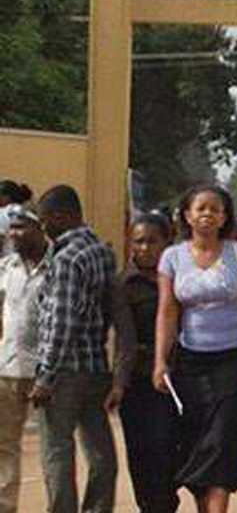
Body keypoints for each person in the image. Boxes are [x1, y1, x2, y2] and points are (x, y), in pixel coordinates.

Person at [153, 185, 237, 512]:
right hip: (190, 363)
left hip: (233, 360)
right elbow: (167, 310)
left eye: (215, 209)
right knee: (196, 439)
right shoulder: (172, 257)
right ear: (187, 215)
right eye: (200, 208)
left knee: (222, 438)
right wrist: (160, 361)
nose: (207, 214)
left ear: (224, 217)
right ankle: (204, 504)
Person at [30, 185, 124, 513]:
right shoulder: (101, 250)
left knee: (57, 452)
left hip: (65, 372)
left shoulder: (68, 258)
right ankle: (98, 508)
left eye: (46, 222)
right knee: (99, 451)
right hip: (96, 366)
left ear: (62, 217)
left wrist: (46, 376)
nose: (44, 229)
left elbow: (62, 321)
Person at [114, 213, 179, 513]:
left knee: (166, 449)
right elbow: (122, 338)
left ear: (168, 243)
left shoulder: (181, 280)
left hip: (174, 381)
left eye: (153, 241)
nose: (144, 248)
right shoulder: (123, 284)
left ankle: (164, 503)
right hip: (137, 381)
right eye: (138, 241)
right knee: (139, 452)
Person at [0, 206, 49, 513]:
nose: (14, 234)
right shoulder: (6, 268)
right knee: (5, 444)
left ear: (39, 227)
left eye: (22, 227)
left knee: (53, 448)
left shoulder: (59, 266)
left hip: (47, 370)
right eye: (11, 228)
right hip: (7, 367)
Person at [0, 181, 33, 257]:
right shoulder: (29, 213)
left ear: (6, 197)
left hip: (7, 262)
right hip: (27, 261)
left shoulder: (4, 213)